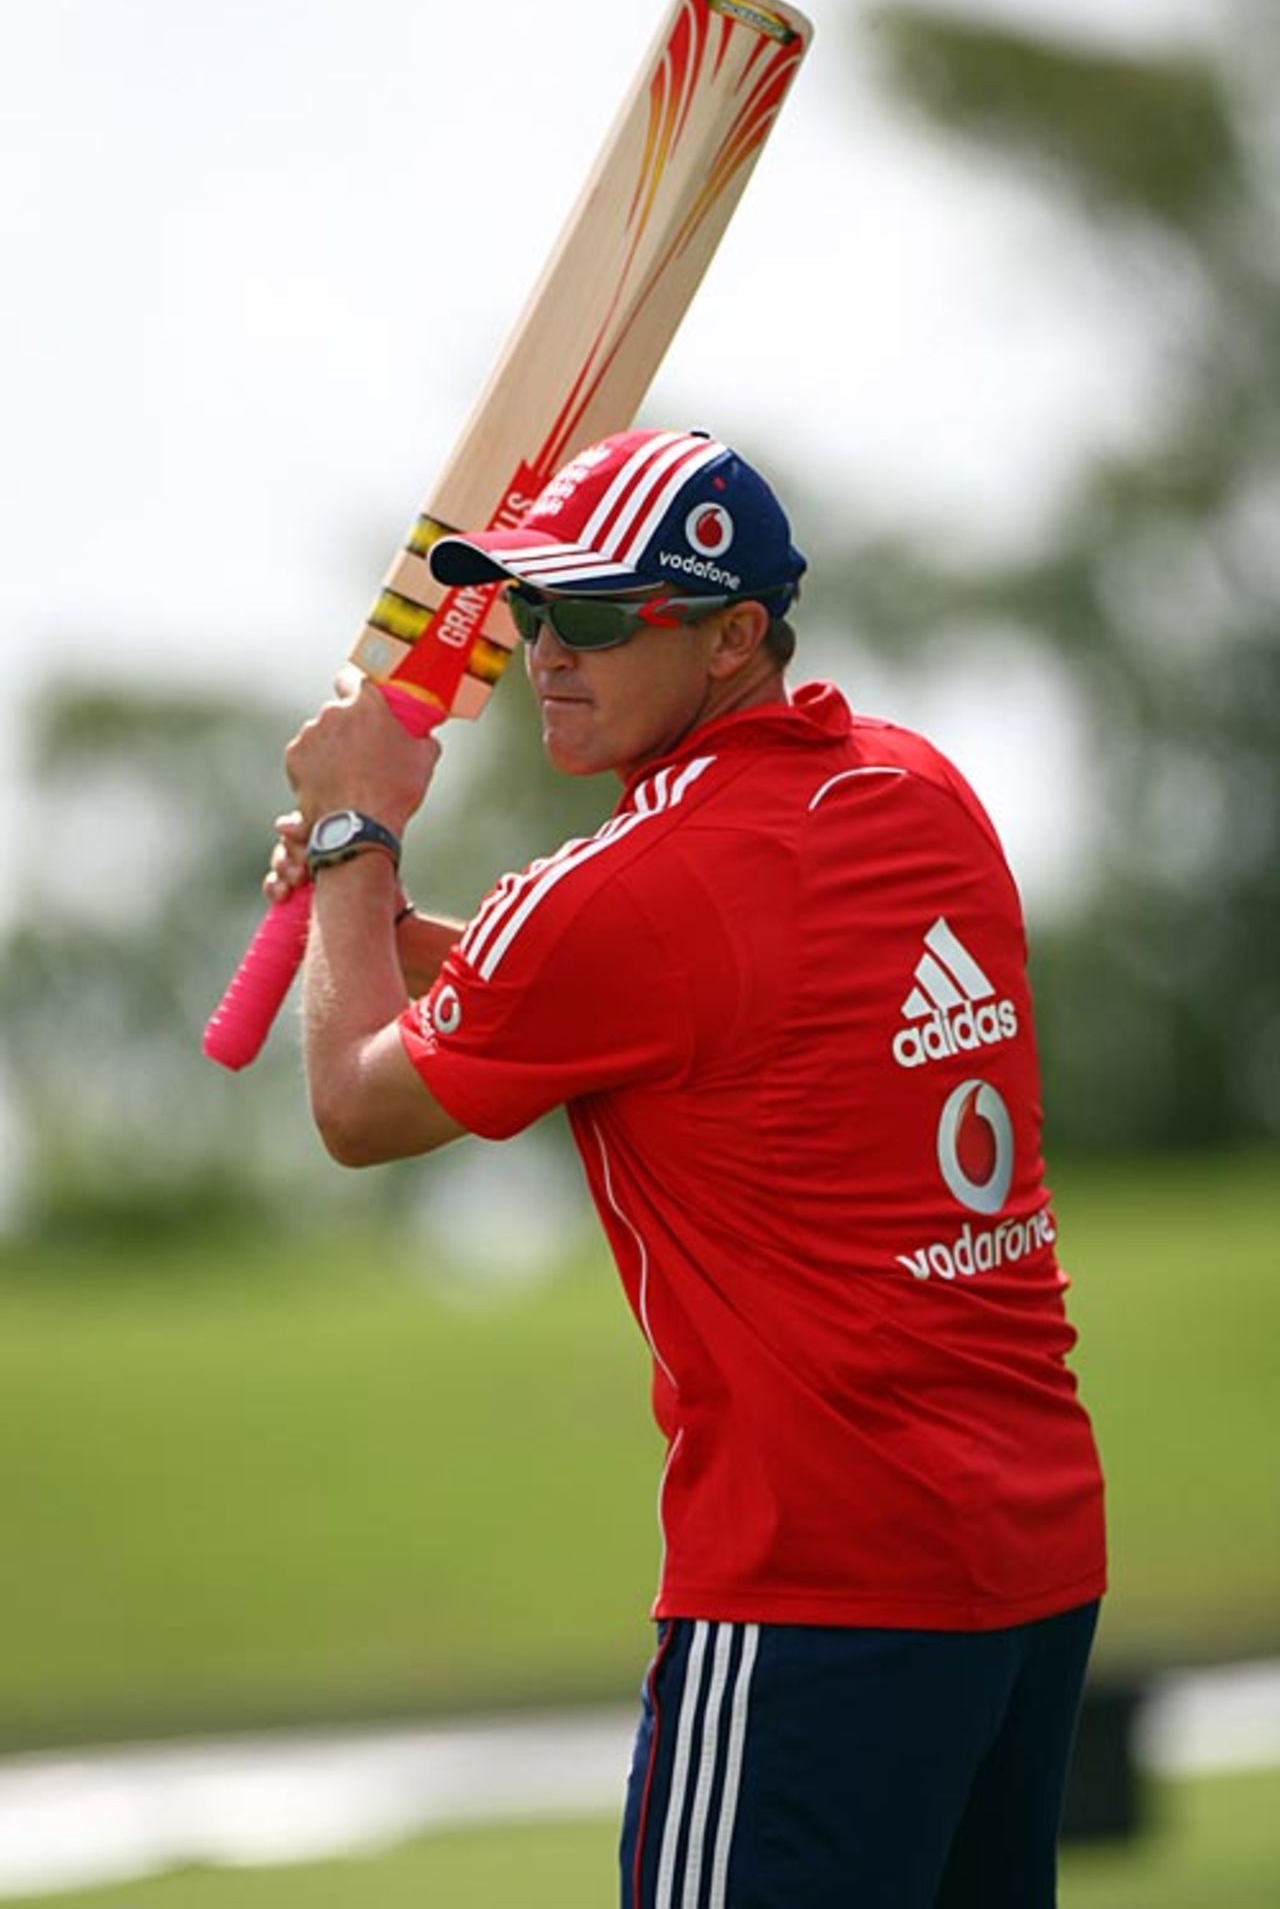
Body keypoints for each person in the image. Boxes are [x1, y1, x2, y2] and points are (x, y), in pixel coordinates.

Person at [269, 426, 1106, 1908]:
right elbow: (662, 998)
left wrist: (358, 830)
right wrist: (377, 912)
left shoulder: (624, 893)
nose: (545, 651)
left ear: (733, 638)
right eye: (531, 610)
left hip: (817, 1588)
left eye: (594, 616)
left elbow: (353, 1107)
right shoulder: (918, 791)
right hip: (1030, 1558)